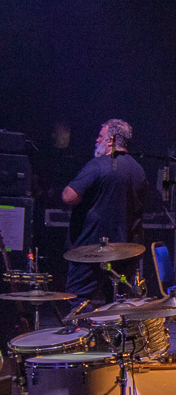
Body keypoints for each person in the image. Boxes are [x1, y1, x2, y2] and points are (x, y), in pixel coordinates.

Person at [62, 119, 148, 306]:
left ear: (111, 140)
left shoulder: (98, 165)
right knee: (118, 304)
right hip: (126, 250)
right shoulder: (139, 170)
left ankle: (81, 332)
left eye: (100, 136)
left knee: (79, 302)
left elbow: (69, 196)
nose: (96, 140)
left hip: (91, 249)